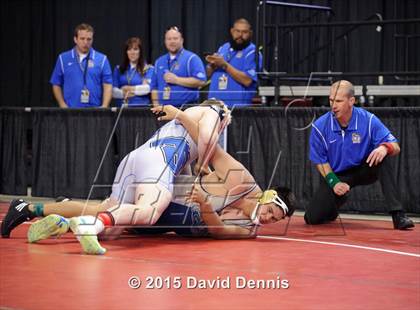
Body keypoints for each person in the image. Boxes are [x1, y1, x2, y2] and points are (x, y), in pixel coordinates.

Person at [1, 100, 231, 253]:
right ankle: (87, 225)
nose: (227, 122)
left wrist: (203, 173)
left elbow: (182, 174)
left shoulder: (182, 126)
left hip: (136, 159)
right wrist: (207, 161)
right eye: (226, 117)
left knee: (110, 225)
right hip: (156, 163)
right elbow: (208, 138)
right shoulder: (212, 112)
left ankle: (31, 209)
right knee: (148, 213)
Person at [305, 80, 414, 230]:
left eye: (338, 101)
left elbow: (395, 146)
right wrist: (334, 182)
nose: (333, 106)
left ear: (351, 101)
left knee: (383, 156)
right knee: (312, 218)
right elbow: (320, 161)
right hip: (337, 174)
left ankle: (398, 214)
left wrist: (384, 148)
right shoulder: (320, 126)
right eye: (331, 100)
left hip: (364, 169)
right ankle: (335, 205)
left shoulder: (368, 120)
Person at [50, 23, 113, 108]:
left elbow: (108, 84)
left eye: (89, 39)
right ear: (75, 39)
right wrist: (62, 105)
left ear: (92, 40)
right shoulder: (63, 58)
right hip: (70, 111)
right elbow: (56, 83)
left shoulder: (102, 59)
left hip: (94, 112)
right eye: (82, 39)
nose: (85, 42)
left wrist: (104, 106)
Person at [206, 18, 262, 107]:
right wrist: (212, 65)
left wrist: (224, 65)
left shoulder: (252, 52)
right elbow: (208, 74)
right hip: (214, 105)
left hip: (237, 107)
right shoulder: (224, 47)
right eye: (237, 31)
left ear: (250, 33)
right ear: (232, 31)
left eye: (244, 32)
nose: (240, 35)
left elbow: (247, 80)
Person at [151, 26, 206, 107]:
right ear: (165, 41)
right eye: (169, 39)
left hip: (186, 109)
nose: (172, 41)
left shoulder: (192, 58)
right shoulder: (159, 61)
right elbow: (154, 87)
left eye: (175, 38)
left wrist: (176, 80)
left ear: (182, 40)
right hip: (163, 110)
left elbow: (201, 81)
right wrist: (156, 106)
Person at [112, 37, 154, 106]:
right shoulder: (118, 69)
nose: (132, 52)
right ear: (126, 52)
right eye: (129, 49)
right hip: (122, 109)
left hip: (141, 109)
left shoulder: (148, 69)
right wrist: (125, 93)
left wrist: (128, 89)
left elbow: (148, 89)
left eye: (135, 49)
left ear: (140, 51)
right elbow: (113, 92)